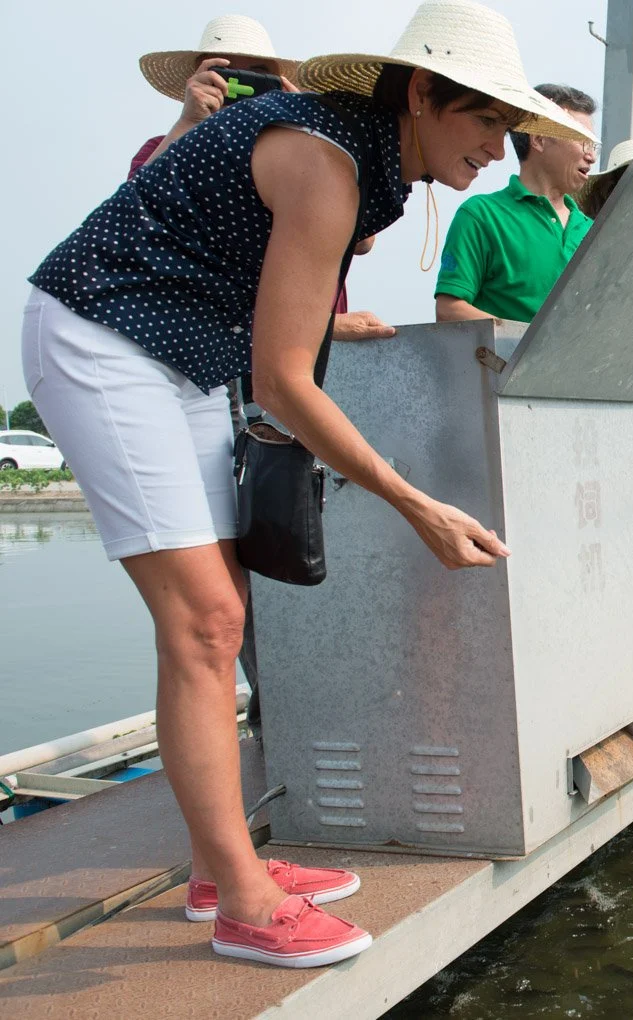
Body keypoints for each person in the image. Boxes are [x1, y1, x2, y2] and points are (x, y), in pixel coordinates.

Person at [21, 0, 593, 966]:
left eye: (508, 126)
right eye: (486, 121)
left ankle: (219, 864)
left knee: (223, 611)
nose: (500, 148)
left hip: (190, 354)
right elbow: (285, 378)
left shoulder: (371, 162)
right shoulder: (327, 160)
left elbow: (281, 311)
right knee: (203, 621)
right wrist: (414, 504)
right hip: (105, 338)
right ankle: (243, 901)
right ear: (421, 93)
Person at [134, 16, 394, 344]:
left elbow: (363, 240)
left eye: (257, 75)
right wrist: (189, 122)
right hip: (216, 342)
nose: (240, 87)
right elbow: (132, 217)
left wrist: (309, 131)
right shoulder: (165, 150)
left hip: (307, 349)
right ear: (197, 81)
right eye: (224, 73)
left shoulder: (303, 156)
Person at [435, 83, 598, 323]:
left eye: (593, 145)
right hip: (507, 362)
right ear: (539, 139)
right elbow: (449, 311)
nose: (591, 156)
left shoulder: (595, 232)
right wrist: (528, 345)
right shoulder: (481, 216)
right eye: (582, 141)